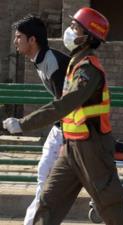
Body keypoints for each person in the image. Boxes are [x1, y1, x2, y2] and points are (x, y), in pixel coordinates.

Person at [3, 7, 123, 225]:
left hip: (92, 148)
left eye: (74, 27)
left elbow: (64, 105)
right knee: (47, 203)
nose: (68, 31)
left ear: (87, 36)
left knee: (111, 207)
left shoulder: (88, 69)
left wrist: (24, 124)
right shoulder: (75, 63)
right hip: (71, 148)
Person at [12, 15, 69, 225]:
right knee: (44, 174)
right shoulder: (41, 60)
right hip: (66, 127)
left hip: (75, 129)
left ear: (32, 40)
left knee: (99, 185)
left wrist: (66, 138)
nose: (15, 41)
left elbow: (65, 103)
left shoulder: (51, 62)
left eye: (19, 37)